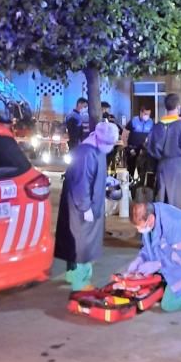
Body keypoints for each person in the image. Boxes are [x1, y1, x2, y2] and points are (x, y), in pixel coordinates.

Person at [54, 120, 119, 291]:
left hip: (85, 204)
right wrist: (85, 208)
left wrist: (105, 181)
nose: (110, 147)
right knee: (83, 244)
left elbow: (93, 176)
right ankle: (81, 283)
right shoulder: (87, 153)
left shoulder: (96, 150)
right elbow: (81, 184)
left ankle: (72, 274)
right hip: (80, 207)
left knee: (77, 242)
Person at [147, 93, 181, 214]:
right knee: (180, 205)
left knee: (163, 203)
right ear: (178, 107)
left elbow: (150, 149)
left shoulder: (156, 127)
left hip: (163, 167)